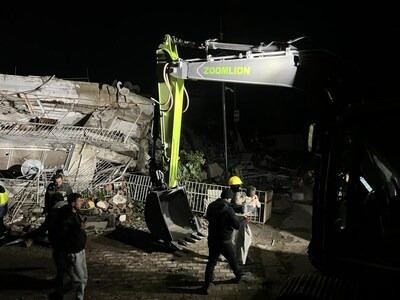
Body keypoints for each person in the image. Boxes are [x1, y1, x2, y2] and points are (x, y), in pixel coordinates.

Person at [203, 188, 249, 295]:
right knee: (232, 259)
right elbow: (236, 225)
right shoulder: (228, 209)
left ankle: (207, 283)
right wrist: (244, 222)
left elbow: (208, 217)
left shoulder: (211, 205)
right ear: (229, 198)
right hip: (225, 240)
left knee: (212, 261)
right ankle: (239, 276)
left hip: (213, 238)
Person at [49, 193, 88, 300]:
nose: (81, 203)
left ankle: (79, 297)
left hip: (80, 249)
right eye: (79, 201)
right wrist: (78, 229)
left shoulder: (75, 212)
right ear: (72, 203)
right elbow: (65, 235)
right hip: (73, 251)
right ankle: (58, 294)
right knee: (78, 280)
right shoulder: (66, 217)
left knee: (83, 278)